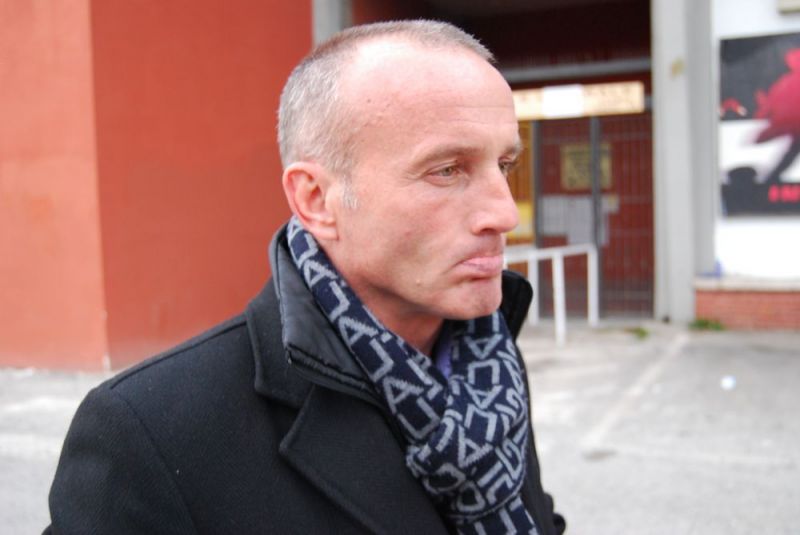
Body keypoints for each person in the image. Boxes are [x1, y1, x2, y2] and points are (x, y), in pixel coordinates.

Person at [45, 20, 565, 534]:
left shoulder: (488, 365)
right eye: (446, 170)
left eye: (505, 164)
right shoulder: (152, 432)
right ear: (316, 200)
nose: (504, 214)